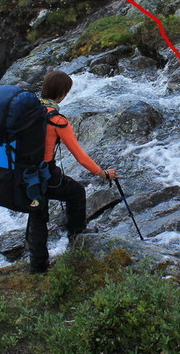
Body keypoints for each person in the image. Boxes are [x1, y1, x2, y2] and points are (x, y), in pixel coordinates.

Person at [26, 70, 118, 273]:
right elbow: (80, 156)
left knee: (37, 212)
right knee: (76, 192)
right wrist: (103, 173)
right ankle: (76, 237)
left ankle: (37, 267)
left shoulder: (28, 110)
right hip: (44, 174)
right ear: (62, 93)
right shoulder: (57, 120)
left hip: (22, 172)